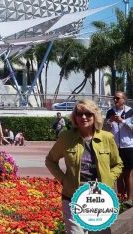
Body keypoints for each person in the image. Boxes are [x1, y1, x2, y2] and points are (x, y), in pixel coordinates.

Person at [46, 99, 122, 234]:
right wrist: (64, 180)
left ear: (95, 116)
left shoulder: (107, 137)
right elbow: (50, 160)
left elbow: (117, 164)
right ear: (74, 117)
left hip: (100, 199)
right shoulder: (66, 137)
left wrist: (109, 179)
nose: (84, 117)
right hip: (73, 198)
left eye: (88, 113)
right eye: (79, 114)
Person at [104, 91, 133, 202]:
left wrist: (122, 121)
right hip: (114, 146)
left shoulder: (130, 111)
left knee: (128, 173)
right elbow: (105, 129)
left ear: (123, 99)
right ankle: (121, 199)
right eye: (114, 98)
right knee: (118, 174)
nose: (115, 100)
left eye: (117, 98)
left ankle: (129, 200)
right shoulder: (110, 112)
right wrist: (109, 123)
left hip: (128, 146)